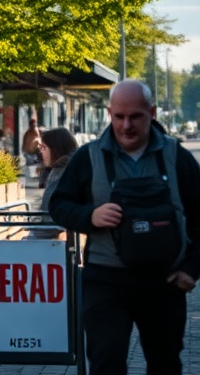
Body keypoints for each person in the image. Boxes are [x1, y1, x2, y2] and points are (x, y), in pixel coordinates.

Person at [49, 79, 200, 374]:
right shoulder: (88, 157)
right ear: (109, 113)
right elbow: (58, 205)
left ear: (152, 112)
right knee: (106, 361)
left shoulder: (177, 156)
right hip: (105, 281)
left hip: (165, 282)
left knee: (166, 364)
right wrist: (89, 216)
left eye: (135, 116)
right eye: (119, 117)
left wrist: (192, 268)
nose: (126, 125)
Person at [28, 127, 78, 239]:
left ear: (56, 149)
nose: (41, 151)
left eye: (44, 147)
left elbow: (49, 219)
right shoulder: (65, 168)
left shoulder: (61, 173)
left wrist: (34, 233)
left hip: (49, 238)